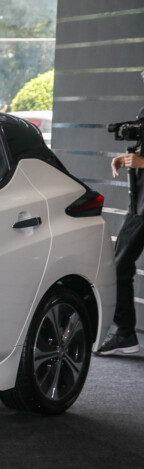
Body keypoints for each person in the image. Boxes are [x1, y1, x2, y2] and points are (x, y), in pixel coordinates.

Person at [97, 108, 144, 356]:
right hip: (139, 203)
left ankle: (125, 333)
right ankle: (125, 333)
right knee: (119, 266)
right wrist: (127, 158)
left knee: (119, 267)